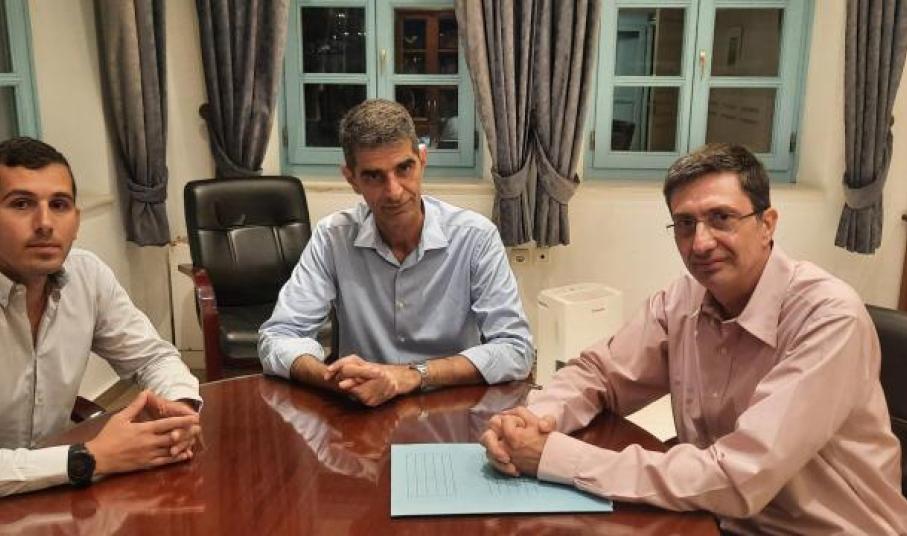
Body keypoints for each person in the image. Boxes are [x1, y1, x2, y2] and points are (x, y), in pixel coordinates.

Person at [480, 143, 907, 533]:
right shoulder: (683, 298)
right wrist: (535, 419)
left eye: (721, 218)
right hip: (712, 518)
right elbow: (600, 373)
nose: (700, 243)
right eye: (685, 224)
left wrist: (554, 456)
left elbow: (737, 476)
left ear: (767, 224)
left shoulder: (827, 317)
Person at [259, 99, 532, 406]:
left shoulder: (475, 238)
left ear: (422, 160)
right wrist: (332, 378)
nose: (394, 191)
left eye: (404, 168)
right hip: (365, 406)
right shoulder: (332, 238)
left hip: (452, 406)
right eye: (373, 176)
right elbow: (278, 337)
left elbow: (516, 349)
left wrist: (414, 375)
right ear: (351, 179)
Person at [0, 137, 202, 497]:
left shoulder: (87, 275)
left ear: (76, 221)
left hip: (57, 492)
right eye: (21, 204)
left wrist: (179, 411)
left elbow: (153, 357)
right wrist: (88, 457)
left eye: (59, 205)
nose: (45, 223)